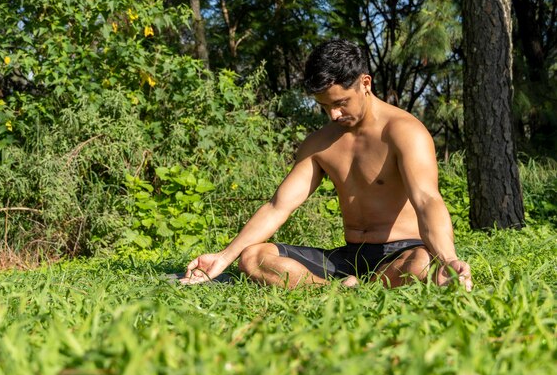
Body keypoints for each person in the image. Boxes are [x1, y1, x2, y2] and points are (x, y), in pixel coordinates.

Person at [181, 39, 472, 291]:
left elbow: (427, 200)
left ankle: (362, 286)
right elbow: (278, 207)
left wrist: (447, 259)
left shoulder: (404, 132)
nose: (333, 114)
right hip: (349, 257)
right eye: (324, 106)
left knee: (422, 264)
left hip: (402, 252)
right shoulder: (319, 143)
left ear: (365, 83)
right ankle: (342, 289)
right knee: (252, 257)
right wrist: (223, 257)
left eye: (340, 102)